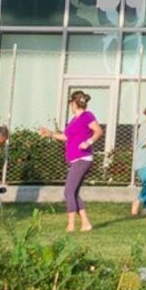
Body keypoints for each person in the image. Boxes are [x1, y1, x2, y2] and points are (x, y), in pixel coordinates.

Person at [58, 90, 99, 232]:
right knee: (73, 192)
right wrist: (50, 134)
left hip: (82, 158)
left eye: (71, 102)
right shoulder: (74, 120)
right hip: (75, 159)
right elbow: (66, 137)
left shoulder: (87, 116)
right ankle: (85, 223)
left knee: (68, 191)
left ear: (74, 103)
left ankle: (71, 224)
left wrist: (88, 142)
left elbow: (98, 131)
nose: (70, 105)